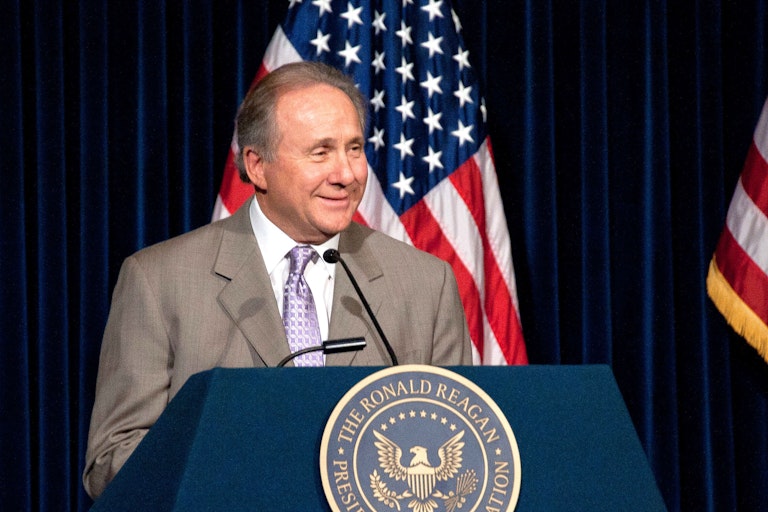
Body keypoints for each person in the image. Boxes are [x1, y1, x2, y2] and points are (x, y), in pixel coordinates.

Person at [82, 61, 472, 499]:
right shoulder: (159, 282)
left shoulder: (425, 283)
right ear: (257, 165)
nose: (346, 174)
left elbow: (461, 439)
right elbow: (112, 461)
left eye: (355, 148)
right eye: (320, 152)